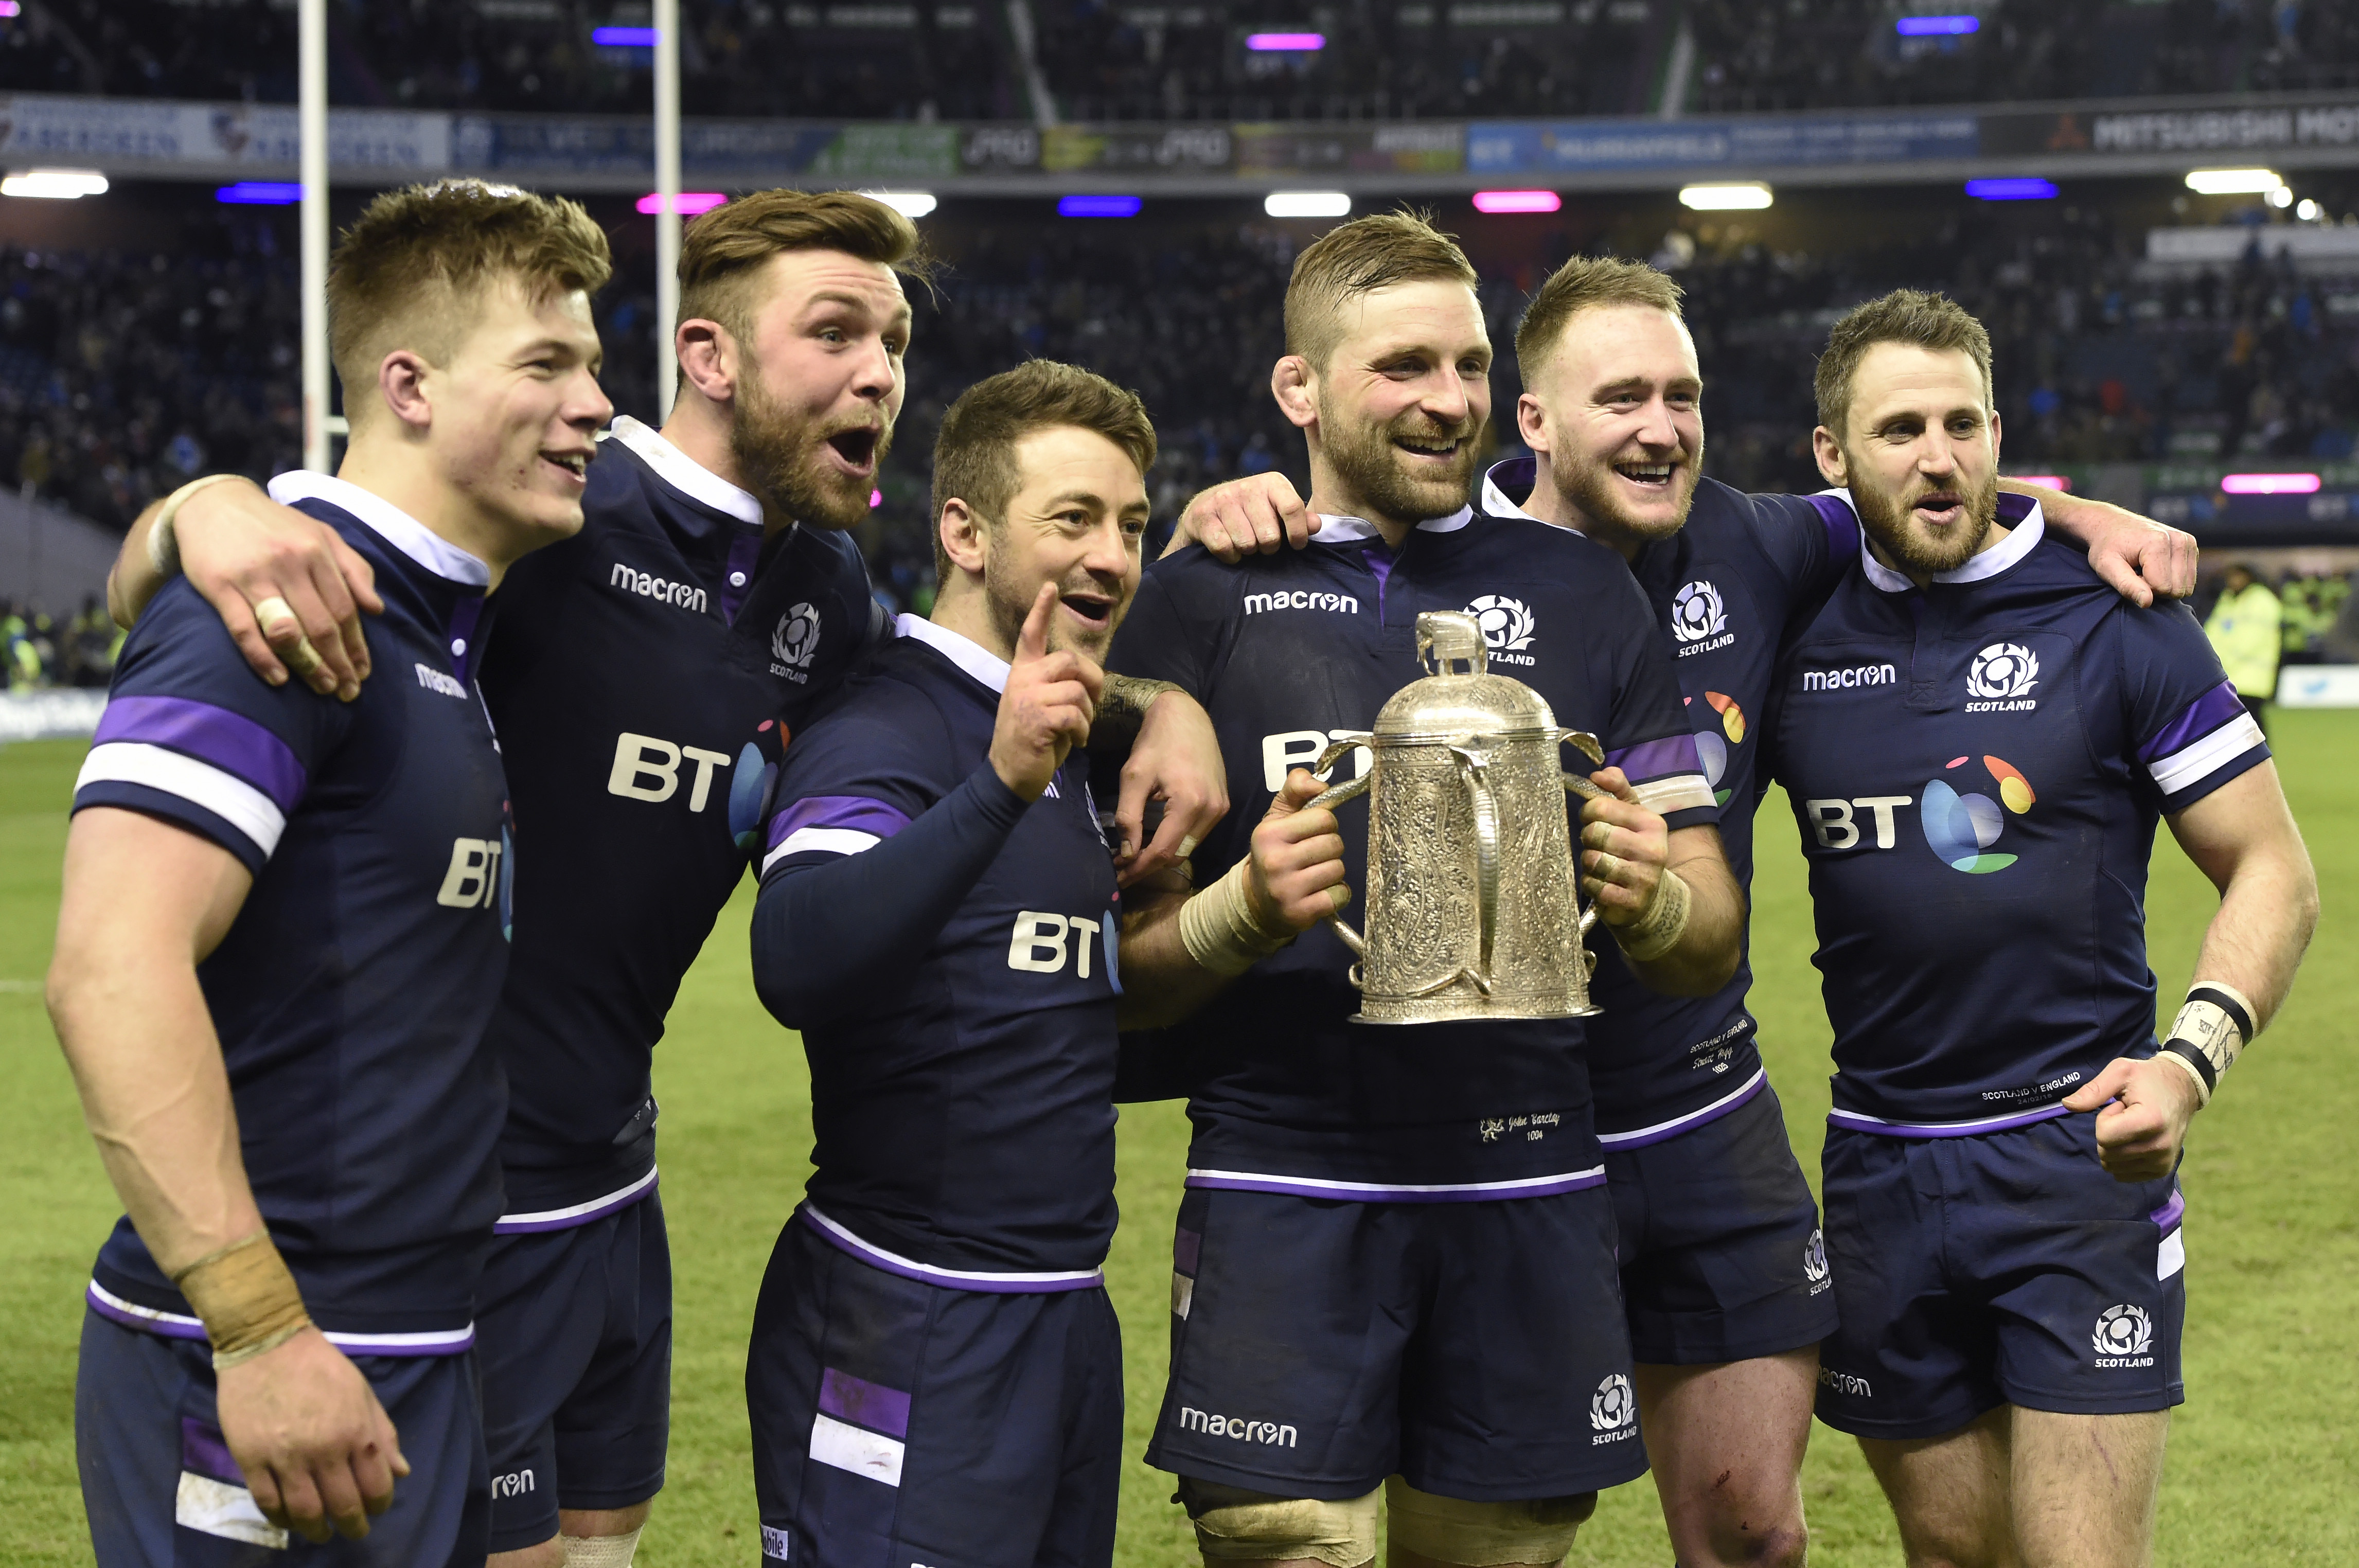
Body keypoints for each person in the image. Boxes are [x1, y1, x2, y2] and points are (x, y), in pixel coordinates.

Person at [99, 190, 1230, 1568]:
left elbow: (941, 676)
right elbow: (313, 555)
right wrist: (201, 510)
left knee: (596, 1543)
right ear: (709, 358)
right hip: (449, 1210)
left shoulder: (818, 582)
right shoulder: (551, 518)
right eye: (834, 333)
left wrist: (1161, 703)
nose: (880, 371)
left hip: (613, 1185)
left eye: (891, 341)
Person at [1170, 254, 2197, 1565]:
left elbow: (1928, 490)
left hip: (1707, 1120)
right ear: (1532, 420)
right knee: (1457, 1522)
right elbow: (1262, 587)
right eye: (1621, 398)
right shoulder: (1427, 558)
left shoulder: (1754, 539)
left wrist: (2082, 512)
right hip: (1510, 1143)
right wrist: (1220, 512)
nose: (1661, 428)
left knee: (1754, 1533)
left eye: (1685, 395)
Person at [1109, 211, 1747, 1568]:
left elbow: (1709, 929)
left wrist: (1656, 904)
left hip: (1523, 1176)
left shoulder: (1586, 598)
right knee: (1286, 1541)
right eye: (1403, 365)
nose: (1446, 400)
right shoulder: (1199, 599)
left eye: (1464, 365)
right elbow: (1109, 978)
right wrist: (1243, 909)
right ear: (1302, 390)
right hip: (1283, 1174)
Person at [47, 180, 613, 1566]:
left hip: (407, 1336)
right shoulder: (280, 608)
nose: (598, 405)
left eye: (595, 367)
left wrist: (194, 505)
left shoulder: (430, 621)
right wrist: (259, 1325)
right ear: (407, 384)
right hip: (255, 1355)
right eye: (548, 364)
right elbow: (111, 967)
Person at [744, 361, 1349, 1564]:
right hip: (903, 1306)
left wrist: (1249, 909)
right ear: (964, 531)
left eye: (1131, 524)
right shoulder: (891, 725)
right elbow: (795, 959)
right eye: (1072, 519)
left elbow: (1079, 1012)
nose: (1115, 558)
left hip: (1064, 1313)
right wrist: (1001, 783)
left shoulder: (1068, 736)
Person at [1767, 290, 2317, 1568]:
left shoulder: (2117, 618)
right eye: (1900, 428)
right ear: (1831, 459)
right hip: (1880, 1165)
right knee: (1956, 1554)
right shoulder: (1786, 620)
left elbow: (2273, 870)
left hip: (2076, 1163)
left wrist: (2189, 1061)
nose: (1939, 455)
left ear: (2002, 431)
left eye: (1963, 422)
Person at [2204, 560, 2282, 738]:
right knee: (2232, 730)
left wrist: (2219, 664)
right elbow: (2212, 633)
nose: (2233, 580)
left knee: (2253, 727)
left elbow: (2251, 640)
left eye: (2238, 575)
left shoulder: (2261, 600)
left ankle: (2262, 764)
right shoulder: (2229, 599)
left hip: (2250, 679)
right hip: (2228, 676)